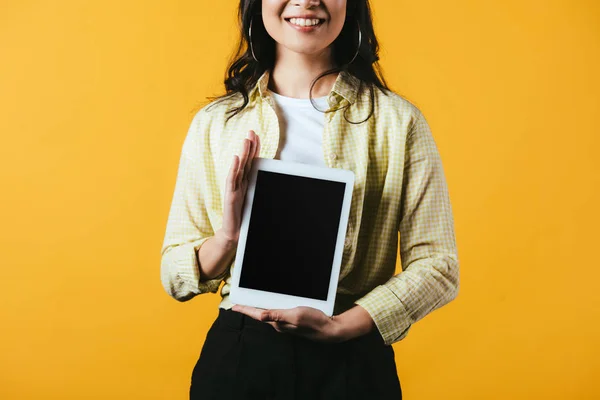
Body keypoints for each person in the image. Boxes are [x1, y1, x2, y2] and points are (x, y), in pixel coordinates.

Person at [160, 0, 460, 398]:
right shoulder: (217, 122)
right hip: (242, 355)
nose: (306, 1)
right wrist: (228, 235)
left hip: (352, 359)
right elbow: (174, 273)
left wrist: (343, 326)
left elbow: (439, 266)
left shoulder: (398, 121)